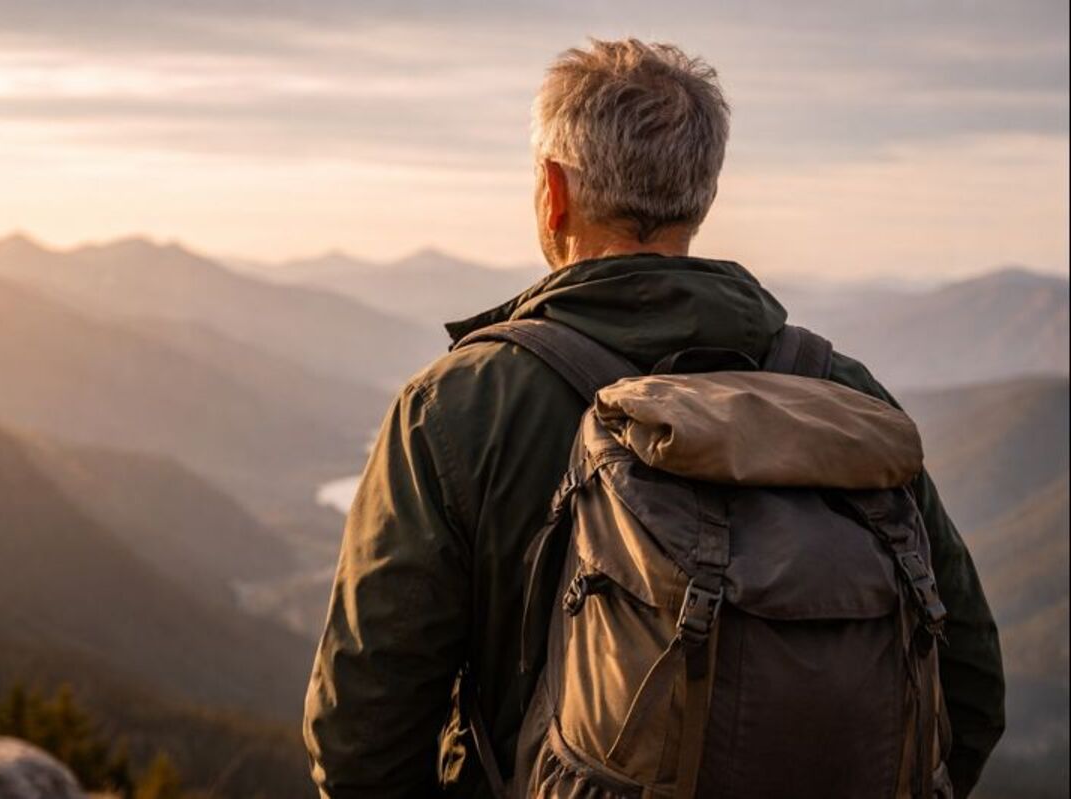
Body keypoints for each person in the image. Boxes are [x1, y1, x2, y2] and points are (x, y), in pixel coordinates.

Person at [303, 38, 1004, 798]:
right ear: (700, 195)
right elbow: (966, 683)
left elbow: (362, 738)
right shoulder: (843, 398)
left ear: (553, 192)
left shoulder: (458, 408)